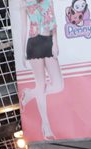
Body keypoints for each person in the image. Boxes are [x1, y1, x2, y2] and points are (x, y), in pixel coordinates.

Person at [21, 0, 64, 139]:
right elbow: (23, 27)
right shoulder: (24, 2)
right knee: (41, 84)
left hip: (48, 40)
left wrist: (55, 42)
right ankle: (46, 126)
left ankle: (31, 94)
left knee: (58, 85)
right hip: (34, 42)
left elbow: (53, 19)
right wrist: (22, 52)